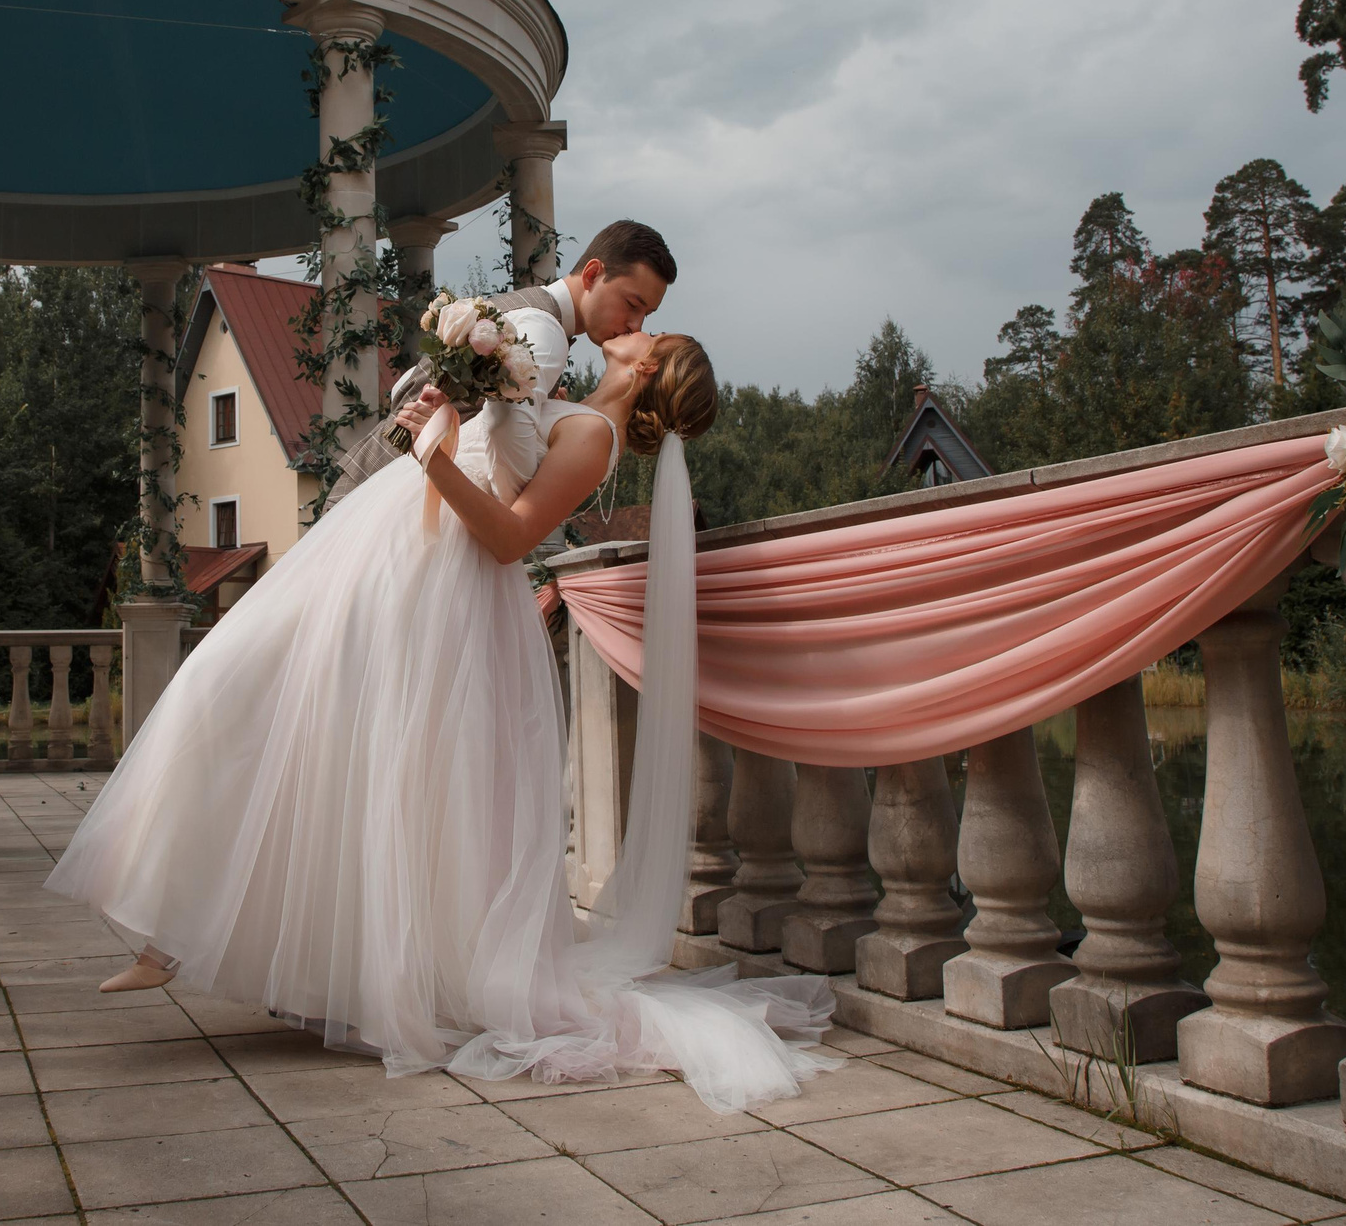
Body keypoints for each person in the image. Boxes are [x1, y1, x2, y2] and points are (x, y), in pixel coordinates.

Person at [44, 296, 842, 1113]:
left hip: (446, 590)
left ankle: (192, 937)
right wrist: (445, 416)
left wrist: (436, 459)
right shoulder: (561, 398)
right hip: (390, 547)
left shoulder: (594, 439)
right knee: (255, 700)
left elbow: (508, 537)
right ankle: (176, 924)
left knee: (356, 758)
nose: (634, 326)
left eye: (651, 331)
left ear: (647, 367)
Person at [321, 220, 676, 507]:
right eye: (633, 304)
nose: (636, 325)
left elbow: (407, 385)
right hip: (384, 498)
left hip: (373, 481)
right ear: (592, 274)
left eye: (646, 313)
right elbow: (506, 451)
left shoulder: (524, 307)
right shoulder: (546, 331)